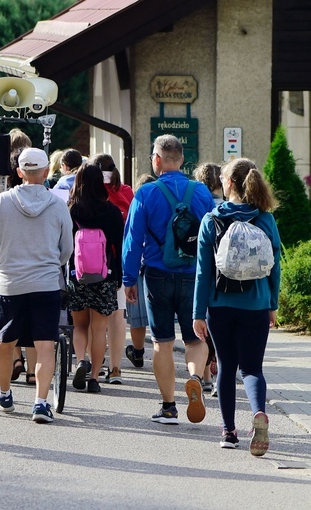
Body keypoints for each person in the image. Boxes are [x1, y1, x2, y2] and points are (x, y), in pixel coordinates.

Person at [123, 134, 215, 425]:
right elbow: (213, 235)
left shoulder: (146, 193)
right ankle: (196, 378)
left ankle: (168, 407)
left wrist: (128, 279)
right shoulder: (200, 192)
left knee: (162, 342)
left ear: (158, 160)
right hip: (193, 275)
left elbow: (132, 240)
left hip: (157, 275)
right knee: (195, 337)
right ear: (182, 159)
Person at [0, 147, 73, 422]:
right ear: (46, 172)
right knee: (44, 345)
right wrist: (54, 262)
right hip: (46, 283)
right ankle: (41, 403)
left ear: (19, 172)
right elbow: (67, 248)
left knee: (5, 343)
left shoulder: (4, 201)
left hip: (10, 283)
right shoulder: (57, 204)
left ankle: (5, 393)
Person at [193, 158, 280, 454]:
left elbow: (203, 272)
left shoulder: (211, 220)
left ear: (227, 183)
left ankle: (229, 431)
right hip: (256, 304)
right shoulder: (265, 219)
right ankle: (258, 412)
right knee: (253, 368)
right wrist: (272, 303)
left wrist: (197, 313)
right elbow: (275, 266)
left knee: (227, 367)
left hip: (220, 306)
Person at [68, 163, 124, 394]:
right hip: (105, 275)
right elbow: (119, 246)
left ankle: (81, 359)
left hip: (78, 275)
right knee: (99, 329)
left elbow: (64, 245)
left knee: (80, 325)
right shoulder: (110, 211)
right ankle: (94, 378)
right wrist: (119, 274)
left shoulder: (71, 210)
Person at [92, 153, 135, 384]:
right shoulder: (126, 192)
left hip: (90, 262)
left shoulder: (89, 191)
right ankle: (116, 368)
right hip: (119, 260)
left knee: (94, 317)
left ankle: (95, 368)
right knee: (118, 315)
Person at [193, 161, 223, 395]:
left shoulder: (198, 204)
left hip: (203, 273)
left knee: (203, 329)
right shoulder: (227, 206)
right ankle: (219, 375)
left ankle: (204, 375)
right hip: (228, 276)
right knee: (222, 335)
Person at [124, 173, 157, 370]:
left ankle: (138, 353)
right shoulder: (163, 207)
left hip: (139, 266)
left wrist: (127, 276)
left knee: (137, 317)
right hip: (157, 265)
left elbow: (131, 242)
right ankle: (160, 351)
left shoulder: (137, 207)